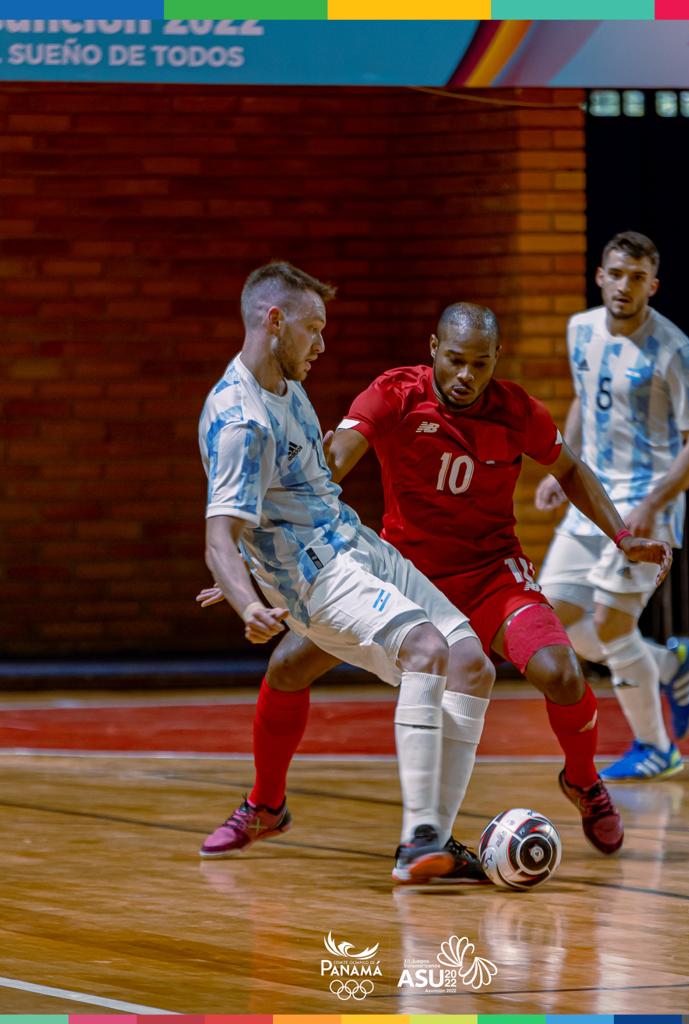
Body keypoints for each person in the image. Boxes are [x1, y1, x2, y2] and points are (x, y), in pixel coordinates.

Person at [200, 299, 673, 872]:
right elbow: (328, 471)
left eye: (480, 363)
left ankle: (582, 780)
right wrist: (254, 566)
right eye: (455, 360)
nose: (466, 376)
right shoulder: (397, 393)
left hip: (490, 573)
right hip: (406, 574)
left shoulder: (516, 409)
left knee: (563, 673)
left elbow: (569, 467)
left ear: (497, 359)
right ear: (433, 350)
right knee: (287, 668)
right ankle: (266, 804)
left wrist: (621, 536)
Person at [198, 260, 497, 884]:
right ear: (274, 321)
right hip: (317, 579)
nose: (322, 343)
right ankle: (420, 842)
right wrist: (245, 598)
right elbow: (218, 535)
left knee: (474, 665)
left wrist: (242, 568)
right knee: (425, 649)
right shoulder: (240, 421)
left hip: (354, 543)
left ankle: (433, 842)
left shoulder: (288, 388)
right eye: (314, 330)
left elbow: (278, 502)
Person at [535, 230, 689, 782]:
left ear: (652, 285)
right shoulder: (580, 329)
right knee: (553, 620)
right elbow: (583, 400)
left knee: (612, 624)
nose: (624, 285)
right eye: (616, 274)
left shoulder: (675, 350)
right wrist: (559, 467)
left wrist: (653, 502)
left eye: (637, 277)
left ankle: (657, 748)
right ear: (600, 276)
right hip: (591, 497)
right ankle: (668, 664)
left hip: (646, 507)